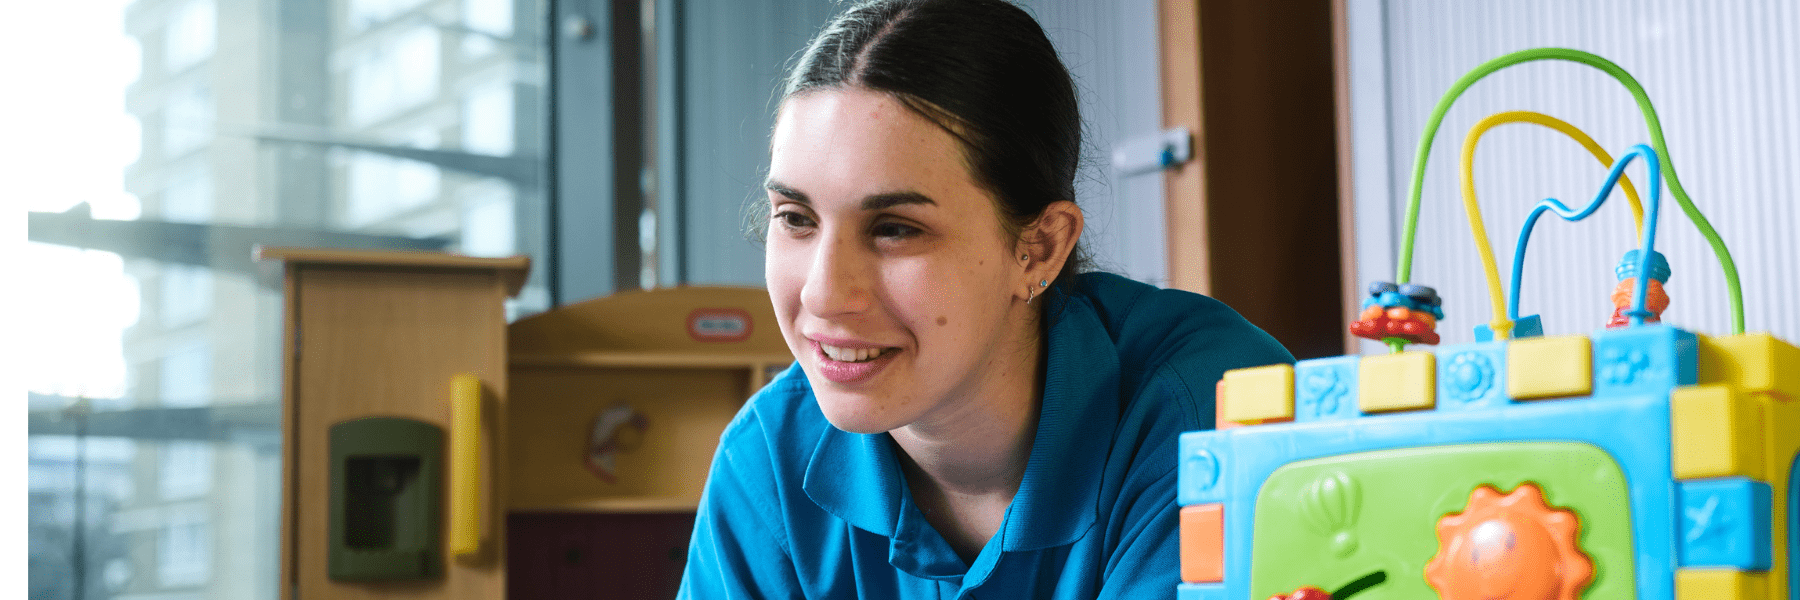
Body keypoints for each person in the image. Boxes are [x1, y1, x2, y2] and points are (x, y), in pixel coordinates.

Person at [677, 0, 1293, 597]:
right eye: (796, 218)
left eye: (895, 228)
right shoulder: (770, 462)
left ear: (1040, 249)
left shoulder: (1218, 414)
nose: (824, 294)